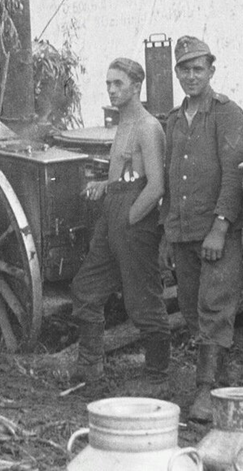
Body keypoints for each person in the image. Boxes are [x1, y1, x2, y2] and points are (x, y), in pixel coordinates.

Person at [69, 57, 171, 394]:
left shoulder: (147, 126)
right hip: (113, 212)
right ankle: (90, 368)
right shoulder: (123, 123)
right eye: (109, 84)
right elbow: (123, 175)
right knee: (86, 288)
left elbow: (155, 186)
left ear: (136, 86)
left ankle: (157, 375)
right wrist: (107, 189)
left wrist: (128, 219)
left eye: (119, 84)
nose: (112, 90)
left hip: (133, 218)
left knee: (143, 300)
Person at [161, 36, 243, 422]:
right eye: (185, 69)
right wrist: (167, 231)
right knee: (191, 305)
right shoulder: (174, 120)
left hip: (215, 230)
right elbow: (169, 178)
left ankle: (206, 390)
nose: (192, 76)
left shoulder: (227, 114)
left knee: (214, 305)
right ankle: (224, 379)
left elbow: (233, 175)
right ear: (176, 73)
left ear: (211, 71)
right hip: (182, 229)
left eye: (199, 68)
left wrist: (221, 226)